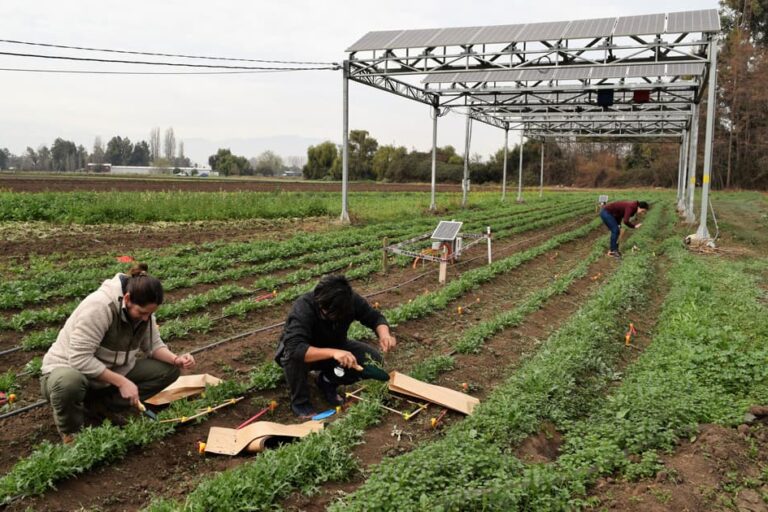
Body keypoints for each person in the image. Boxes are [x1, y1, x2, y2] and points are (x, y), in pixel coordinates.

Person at [40, 263, 195, 443]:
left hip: (106, 376)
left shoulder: (143, 311)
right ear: (127, 299)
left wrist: (176, 360)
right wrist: (122, 382)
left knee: (168, 370)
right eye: (142, 313)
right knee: (69, 382)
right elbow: (79, 359)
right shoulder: (100, 307)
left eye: (150, 314)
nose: (146, 318)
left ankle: (100, 408)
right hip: (66, 373)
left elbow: (153, 345)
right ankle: (71, 433)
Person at [275, 274, 396, 417]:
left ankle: (326, 381)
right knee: (293, 357)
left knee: (374, 360)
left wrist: (384, 335)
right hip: (304, 354)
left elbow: (375, 318)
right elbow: (295, 348)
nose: (331, 316)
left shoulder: (349, 300)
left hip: (336, 345)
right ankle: (300, 402)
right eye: (327, 313)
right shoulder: (304, 306)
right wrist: (333, 353)